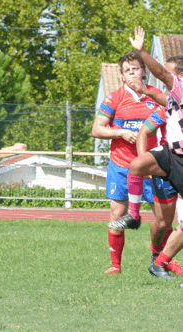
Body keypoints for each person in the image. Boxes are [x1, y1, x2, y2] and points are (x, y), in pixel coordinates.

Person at [116, 26, 183, 279]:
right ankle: (134, 216)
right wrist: (145, 91)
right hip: (171, 154)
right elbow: (163, 99)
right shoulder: (174, 98)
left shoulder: (180, 86)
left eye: (170, 75)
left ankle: (160, 262)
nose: (166, 79)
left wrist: (141, 52)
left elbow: (161, 74)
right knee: (137, 166)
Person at [92, 50, 163, 275]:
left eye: (135, 69)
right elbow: (97, 129)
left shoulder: (156, 95)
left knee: (162, 219)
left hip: (152, 167)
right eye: (126, 70)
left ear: (144, 72)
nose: (131, 73)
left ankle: (158, 260)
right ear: (122, 76)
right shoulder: (114, 98)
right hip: (121, 166)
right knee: (117, 215)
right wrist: (121, 132)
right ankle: (115, 266)